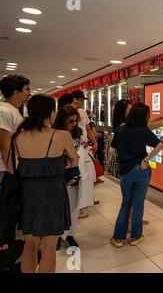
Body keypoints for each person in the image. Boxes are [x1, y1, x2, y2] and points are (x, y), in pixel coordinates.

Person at [13, 94, 78, 273]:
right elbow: (74, 161)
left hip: (27, 195)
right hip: (53, 193)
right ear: (50, 112)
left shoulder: (18, 136)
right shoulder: (61, 135)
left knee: (30, 243)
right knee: (49, 246)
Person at [109, 103, 163, 247]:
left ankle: (118, 239)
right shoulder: (143, 130)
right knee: (138, 204)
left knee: (125, 203)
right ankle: (135, 237)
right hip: (142, 170)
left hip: (125, 171)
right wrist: (146, 159)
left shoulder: (120, 129)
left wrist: (123, 154)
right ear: (144, 116)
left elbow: (111, 151)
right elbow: (159, 145)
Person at [53, 106, 85, 249]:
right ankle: (59, 235)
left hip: (74, 172)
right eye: (70, 121)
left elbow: (79, 149)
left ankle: (70, 235)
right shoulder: (55, 134)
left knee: (74, 206)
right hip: (59, 173)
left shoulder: (78, 132)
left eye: (76, 121)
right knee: (60, 206)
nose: (74, 124)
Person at [71, 90, 97, 217]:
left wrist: (93, 141)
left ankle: (83, 202)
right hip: (76, 147)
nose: (81, 103)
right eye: (80, 100)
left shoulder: (81, 112)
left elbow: (87, 129)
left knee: (85, 175)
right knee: (79, 175)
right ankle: (78, 206)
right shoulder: (69, 112)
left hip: (83, 146)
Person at [0, 75, 30, 179]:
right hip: (3, 168)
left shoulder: (13, 110)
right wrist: (12, 172)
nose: (29, 92)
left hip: (10, 165)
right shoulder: (4, 111)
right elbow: (4, 143)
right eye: (26, 89)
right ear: (16, 92)